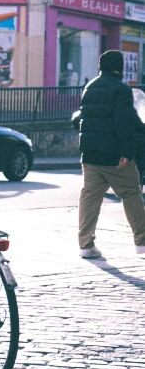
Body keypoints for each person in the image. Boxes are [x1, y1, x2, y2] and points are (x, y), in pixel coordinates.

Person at [78, 49, 145, 258]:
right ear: (120, 67)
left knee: (90, 197)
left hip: (89, 154)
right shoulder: (121, 89)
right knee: (131, 192)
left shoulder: (89, 87)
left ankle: (85, 245)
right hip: (113, 154)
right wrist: (126, 150)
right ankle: (142, 241)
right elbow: (124, 122)